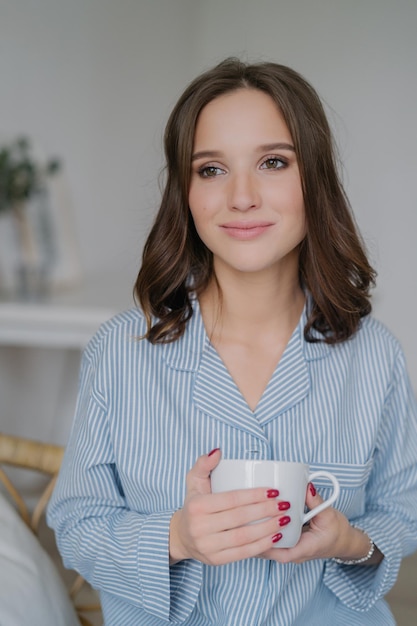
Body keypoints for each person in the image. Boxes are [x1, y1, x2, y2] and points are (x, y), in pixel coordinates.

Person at [48, 58, 417, 625]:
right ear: (186, 192)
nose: (241, 197)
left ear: (313, 180)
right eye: (211, 169)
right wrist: (175, 537)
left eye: (273, 162)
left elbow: (404, 511)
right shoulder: (121, 352)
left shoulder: (375, 357)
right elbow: (77, 524)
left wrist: (350, 542)